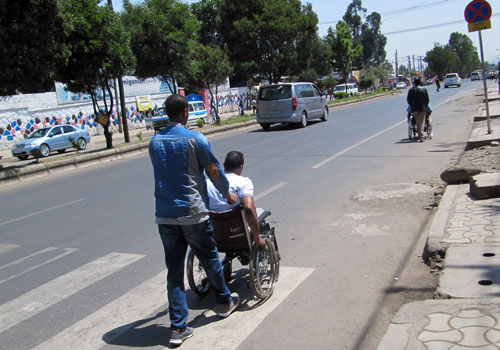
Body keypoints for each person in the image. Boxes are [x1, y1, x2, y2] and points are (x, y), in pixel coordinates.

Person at [148, 94, 240, 347]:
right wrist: (226, 192)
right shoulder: (195, 138)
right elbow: (212, 169)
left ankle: (178, 328)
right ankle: (223, 302)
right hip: (193, 212)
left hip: (165, 214)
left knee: (174, 272)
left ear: (167, 113)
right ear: (186, 112)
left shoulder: (154, 142)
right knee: (209, 257)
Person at [206, 151, 266, 247]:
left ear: (224, 164)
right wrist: (257, 238)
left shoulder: (208, 183)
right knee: (260, 212)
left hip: (215, 234)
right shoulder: (243, 182)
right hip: (238, 233)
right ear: (241, 167)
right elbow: (249, 209)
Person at [407, 78, 430, 142]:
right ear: (420, 82)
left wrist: (412, 105)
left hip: (414, 109)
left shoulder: (411, 90)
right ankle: (421, 137)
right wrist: (425, 105)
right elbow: (427, 100)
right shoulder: (424, 90)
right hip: (422, 108)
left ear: (414, 83)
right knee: (422, 122)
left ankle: (420, 135)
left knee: (417, 122)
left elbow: (408, 100)